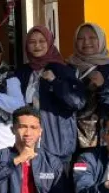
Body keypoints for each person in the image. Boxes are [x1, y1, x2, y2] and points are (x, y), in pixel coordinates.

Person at [15, 26, 86, 160]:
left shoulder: (63, 70)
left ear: (49, 43)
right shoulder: (22, 72)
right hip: (28, 141)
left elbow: (77, 102)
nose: (37, 46)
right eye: (32, 42)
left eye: (42, 41)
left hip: (57, 143)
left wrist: (55, 82)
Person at [67, 23, 109, 153]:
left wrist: (103, 86)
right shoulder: (68, 67)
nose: (86, 42)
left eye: (92, 38)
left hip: (103, 139)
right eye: (81, 38)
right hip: (70, 138)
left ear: (101, 40)